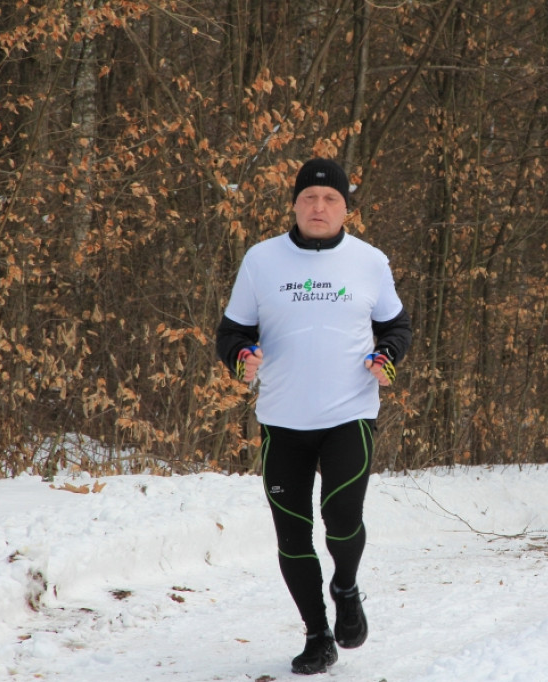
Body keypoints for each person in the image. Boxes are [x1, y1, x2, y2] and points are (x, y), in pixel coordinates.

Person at [215, 158, 412, 675]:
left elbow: (397, 326)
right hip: (283, 421)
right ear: (295, 204)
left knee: (342, 523)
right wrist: (241, 356)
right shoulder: (261, 260)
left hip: (349, 415)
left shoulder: (369, 261)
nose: (318, 207)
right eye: (309, 198)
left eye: (330, 200)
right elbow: (231, 332)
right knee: (293, 533)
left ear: (346, 208)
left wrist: (386, 355)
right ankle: (317, 633)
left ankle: (345, 586)